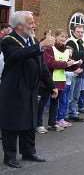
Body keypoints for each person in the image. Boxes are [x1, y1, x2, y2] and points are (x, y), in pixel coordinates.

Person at [0, 11, 54, 168]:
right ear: (19, 26)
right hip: (13, 90)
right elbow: (17, 56)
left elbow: (42, 66)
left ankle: (28, 152)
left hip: (30, 89)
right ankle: (9, 157)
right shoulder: (8, 41)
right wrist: (41, 45)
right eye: (30, 23)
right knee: (12, 123)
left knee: (30, 121)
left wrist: (51, 86)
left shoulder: (32, 40)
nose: (34, 25)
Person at [41, 29, 79, 132]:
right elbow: (50, 64)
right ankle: (38, 124)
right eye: (61, 36)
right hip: (48, 79)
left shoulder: (66, 50)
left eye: (65, 37)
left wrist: (75, 65)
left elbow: (66, 66)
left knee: (55, 103)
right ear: (56, 37)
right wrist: (66, 64)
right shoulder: (49, 49)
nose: (63, 39)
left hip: (60, 80)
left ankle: (52, 123)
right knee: (42, 103)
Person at [66, 25, 84, 122]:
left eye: (82, 32)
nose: (80, 34)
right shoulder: (70, 42)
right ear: (73, 32)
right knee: (70, 95)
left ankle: (73, 112)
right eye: (78, 32)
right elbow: (74, 56)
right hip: (73, 71)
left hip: (81, 72)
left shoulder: (81, 42)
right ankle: (67, 114)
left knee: (76, 95)